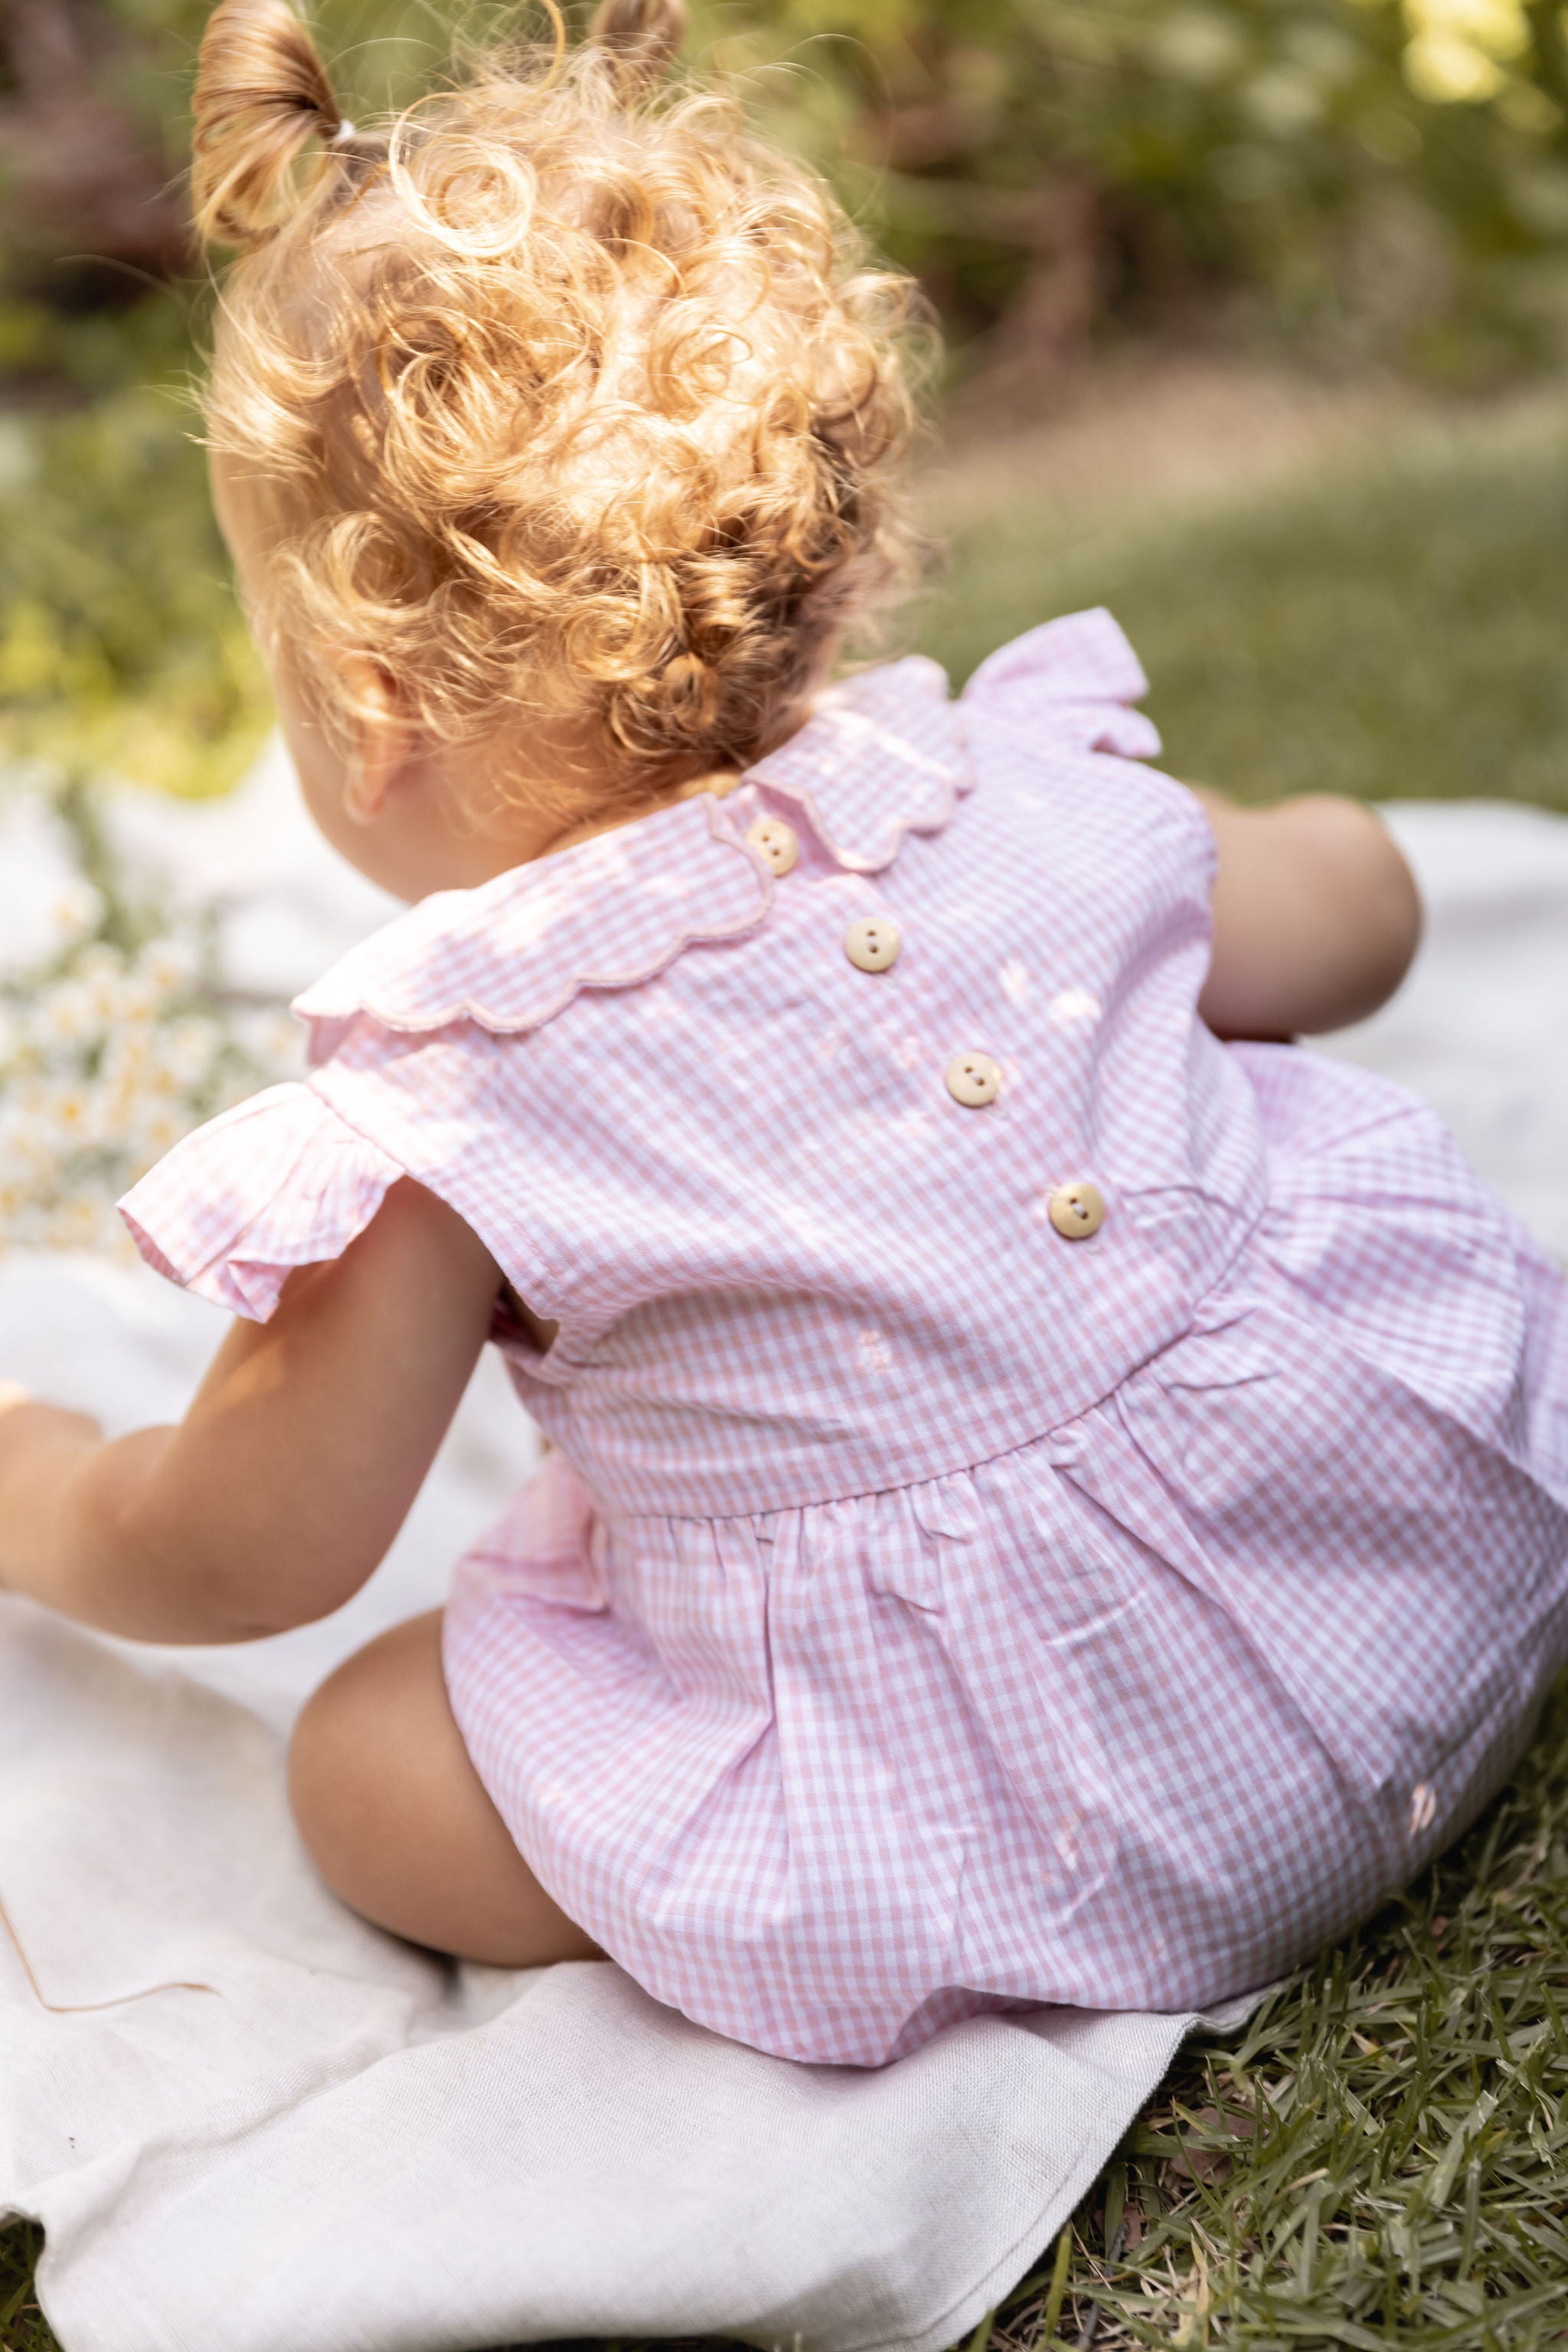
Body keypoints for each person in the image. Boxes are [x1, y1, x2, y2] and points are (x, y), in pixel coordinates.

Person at [2, 0, 1565, 2073]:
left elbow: (255, 1539)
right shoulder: (998, 791)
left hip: (1094, 1829)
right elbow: (1350, 921)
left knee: (365, 1762)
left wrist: (48, 1491)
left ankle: (868, 1866)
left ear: (366, 699)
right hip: (1442, 1587)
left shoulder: (451, 1098)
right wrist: (1286, 863)